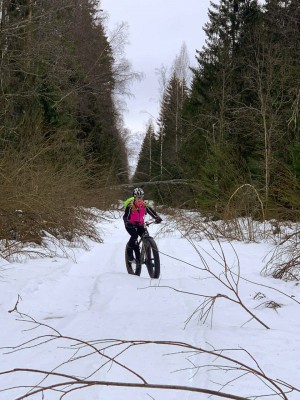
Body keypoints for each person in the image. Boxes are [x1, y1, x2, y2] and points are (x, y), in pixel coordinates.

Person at [123, 187, 162, 262]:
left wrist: (157, 217)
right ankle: (129, 253)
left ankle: (148, 255)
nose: (140, 199)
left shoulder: (145, 205)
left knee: (145, 236)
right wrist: (127, 222)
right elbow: (125, 216)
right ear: (134, 197)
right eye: (138, 197)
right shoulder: (130, 206)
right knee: (134, 236)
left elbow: (152, 212)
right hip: (130, 225)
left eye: (141, 197)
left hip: (140, 224)